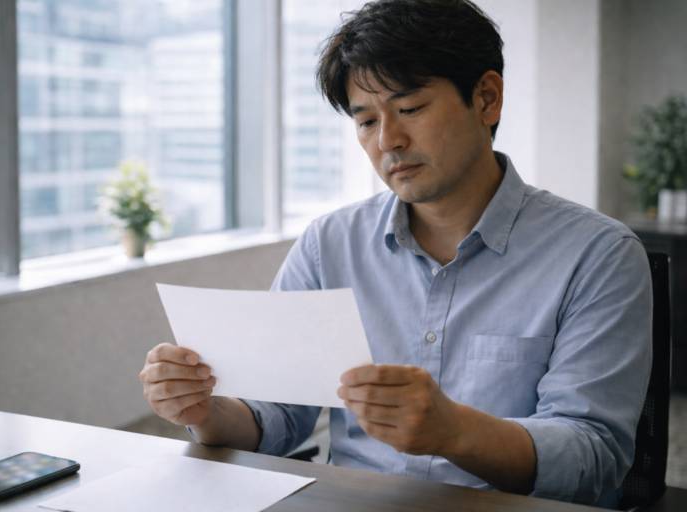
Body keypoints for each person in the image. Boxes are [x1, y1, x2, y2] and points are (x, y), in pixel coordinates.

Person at [139, 0, 652, 507]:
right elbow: (277, 416)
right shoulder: (327, 245)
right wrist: (204, 410)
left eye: (410, 109)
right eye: (366, 121)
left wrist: (455, 431)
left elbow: (593, 456)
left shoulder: (598, 255)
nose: (388, 140)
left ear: (486, 98)